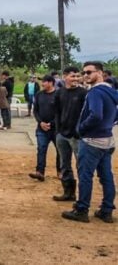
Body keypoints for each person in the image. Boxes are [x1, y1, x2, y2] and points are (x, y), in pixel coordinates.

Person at [62, 62, 118, 223]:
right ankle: (106, 210)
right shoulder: (111, 91)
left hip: (92, 140)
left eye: (89, 72)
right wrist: (108, 125)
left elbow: (96, 115)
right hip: (107, 140)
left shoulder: (95, 92)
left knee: (85, 175)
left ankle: (82, 209)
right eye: (83, 72)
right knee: (106, 176)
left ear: (99, 73)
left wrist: (82, 128)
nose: (85, 75)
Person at [53, 66, 87, 202]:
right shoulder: (59, 93)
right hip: (62, 135)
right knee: (64, 164)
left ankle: (83, 197)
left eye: (78, 76)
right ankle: (68, 192)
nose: (76, 79)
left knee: (81, 166)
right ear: (65, 76)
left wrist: (80, 131)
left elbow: (86, 114)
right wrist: (58, 130)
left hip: (77, 136)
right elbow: (56, 112)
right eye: (73, 76)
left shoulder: (83, 93)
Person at [29, 75, 59, 182]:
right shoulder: (39, 94)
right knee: (41, 149)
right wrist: (40, 122)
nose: (42, 84)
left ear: (51, 83)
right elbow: (35, 111)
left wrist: (51, 123)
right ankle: (40, 172)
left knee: (60, 151)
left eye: (45, 82)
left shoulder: (59, 95)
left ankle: (60, 172)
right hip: (41, 128)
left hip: (56, 129)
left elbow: (61, 112)